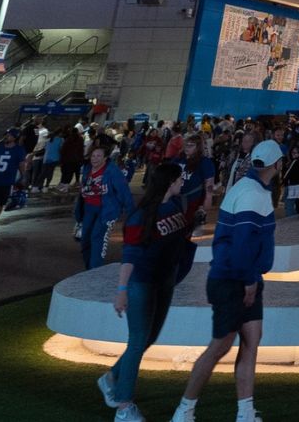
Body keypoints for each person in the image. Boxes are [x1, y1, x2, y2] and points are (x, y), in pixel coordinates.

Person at [172, 154, 276, 422]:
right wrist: (250, 279)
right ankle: (184, 409)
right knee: (221, 346)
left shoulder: (247, 189)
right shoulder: (253, 194)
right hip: (234, 279)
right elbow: (242, 241)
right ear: (276, 164)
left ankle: (244, 412)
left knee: (251, 340)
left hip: (237, 275)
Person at [98, 161, 199, 422]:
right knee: (138, 339)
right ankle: (123, 406)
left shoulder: (174, 206)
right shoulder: (141, 215)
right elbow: (130, 254)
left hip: (164, 279)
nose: (181, 183)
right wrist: (122, 289)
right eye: (178, 179)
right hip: (142, 282)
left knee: (148, 338)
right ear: (168, 182)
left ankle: (111, 379)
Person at [75, 144, 135, 271]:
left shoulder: (112, 171)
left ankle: (94, 271)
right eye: (93, 156)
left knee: (98, 238)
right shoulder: (87, 168)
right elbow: (83, 190)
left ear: (105, 158)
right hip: (89, 208)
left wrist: (132, 213)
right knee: (85, 240)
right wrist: (78, 211)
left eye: (98, 156)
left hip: (107, 210)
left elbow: (124, 191)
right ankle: (88, 269)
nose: (95, 159)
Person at [0, 127, 31, 237]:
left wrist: (23, 177)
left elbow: (22, 165)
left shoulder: (18, 150)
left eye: (9, 135)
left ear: (15, 138)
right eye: (6, 135)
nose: (6, 136)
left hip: (7, 181)